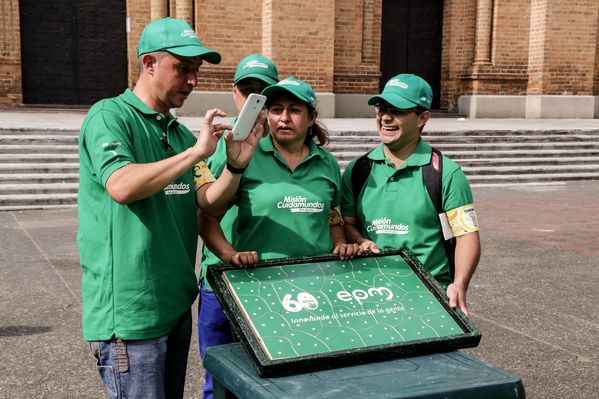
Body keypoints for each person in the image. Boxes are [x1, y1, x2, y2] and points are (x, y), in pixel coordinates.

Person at [77, 17, 263, 399]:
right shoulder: (110, 116)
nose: (192, 80)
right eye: (182, 68)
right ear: (148, 64)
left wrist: (236, 164)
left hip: (175, 306)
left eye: (195, 70)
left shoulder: (177, 132)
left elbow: (208, 200)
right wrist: (195, 152)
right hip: (132, 315)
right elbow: (122, 186)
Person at [340, 73, 481, 316]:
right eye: (381, 108)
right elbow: (347, 224)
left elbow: (466, 236)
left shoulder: (445, 173)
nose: (385, 117)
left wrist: (459, 284)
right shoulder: (358, 170)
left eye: (397, 110)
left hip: (428, 296)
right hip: (369, 293)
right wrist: (360, 240)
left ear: (422, 118)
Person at [200, 76, 359, 267]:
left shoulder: (327, 162)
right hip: (260, 282)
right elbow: (207, 215)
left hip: (318, 279)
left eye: (294, 110)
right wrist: (229, 254)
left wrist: (340, 243)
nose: (284, 118)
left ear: (311, 117)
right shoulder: (246, 156)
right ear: (267, 115)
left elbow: (332, 215)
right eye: (276, 110)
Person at [196, 54, 279, 399]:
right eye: (248, 90)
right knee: (220, 381)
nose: (254, 99)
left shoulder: (283, 148)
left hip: (265, 284)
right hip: (221, 281)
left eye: (264, 93)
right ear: (235, 93)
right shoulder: (219, 143)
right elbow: (207, 211)